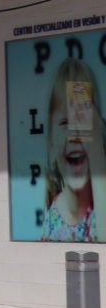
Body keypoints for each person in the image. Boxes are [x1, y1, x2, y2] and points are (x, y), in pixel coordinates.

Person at [42, 57, 100, 243]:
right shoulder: (52, 218)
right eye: (65, 122)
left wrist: (97, 149)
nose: (75, 134)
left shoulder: (101, 207)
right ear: (51, 142)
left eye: (82, 121)